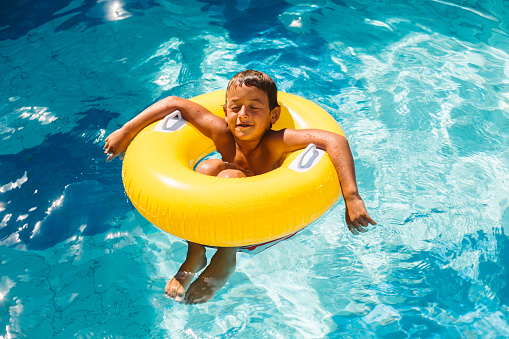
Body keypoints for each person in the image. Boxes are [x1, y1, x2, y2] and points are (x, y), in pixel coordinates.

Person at [104, 70, 377, 304]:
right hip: (218, 211)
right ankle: (195, 253)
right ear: (225, 112)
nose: (242, 115)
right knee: (208, 168)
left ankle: (226, 253)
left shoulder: (275, 142)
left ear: (274, 115)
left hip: (261, 220)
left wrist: (351, 198)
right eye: (235, 107)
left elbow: (334, 141)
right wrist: (124, 132)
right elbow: (175, 103)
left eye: (254, 108)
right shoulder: (222, 133)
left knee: (229, 179)